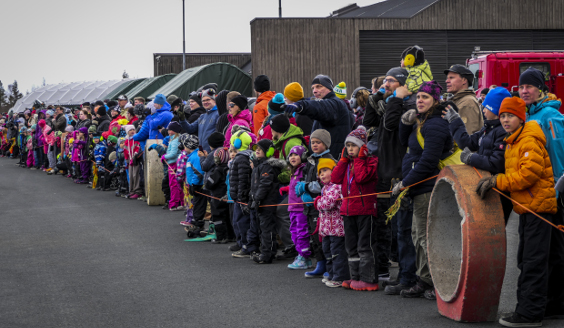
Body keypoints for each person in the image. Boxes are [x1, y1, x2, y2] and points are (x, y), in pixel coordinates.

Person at [475, 97, 557, 327]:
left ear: (521, 118)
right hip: (529, 208)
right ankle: (547, 307)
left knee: (532, 262)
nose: (505, 120)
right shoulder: (515, 140)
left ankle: (529, 315)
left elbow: (527, 176)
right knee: (531, 259)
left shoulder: (528, 140)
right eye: (502, 116)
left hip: (538, 209)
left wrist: (496, 180)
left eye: (510, 115)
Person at [395, 80, 453, 299]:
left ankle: (434, 282)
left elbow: (429, 162)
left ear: (435, 100)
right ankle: (425, 279)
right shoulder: (421, 121)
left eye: (425, 97)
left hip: (427, 187)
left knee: (426, 237)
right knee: (418, 235)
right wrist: (404, 121)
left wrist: (405, 182)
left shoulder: (435, 124)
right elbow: (405, 143)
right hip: (418, 186)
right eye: (418, 97)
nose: (419, 100)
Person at [364, 67, 416, 289]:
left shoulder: (407, 103)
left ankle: (407, 276)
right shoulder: (391, 101)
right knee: (394, 225)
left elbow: (391, 124)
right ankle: (403, 273)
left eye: (391, 81)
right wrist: (373, 99)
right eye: (384, 80)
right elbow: (369, 121)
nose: (386, 84)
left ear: (403, 84)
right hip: (389, 171)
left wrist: (395, 99)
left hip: (401, 171)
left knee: (404, 228)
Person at [518, 67, 564, 319]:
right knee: (554, 251)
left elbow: (558, 156)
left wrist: (557, 190)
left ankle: (551, 303)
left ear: (541, 89)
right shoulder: (529, 113)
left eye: (529, 87)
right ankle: (555, 304)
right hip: (540, 192)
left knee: (547, 253)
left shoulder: (549, 116)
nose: (524, 91)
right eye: (521, 87)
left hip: (551, 193)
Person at [443, 87, 513, 220]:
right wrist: (454, 120)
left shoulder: (502, 132)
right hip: (486, 186)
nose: (483, 109)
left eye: (487, 106)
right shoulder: (488, 128)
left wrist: (471, 158)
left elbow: (496, 163)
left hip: (498, 190)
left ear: (496, 110)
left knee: (494, 228)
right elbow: (467, 143)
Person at [331, 126, 379, 291]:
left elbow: (361, 177)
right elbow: (335, 178)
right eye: (348, 146)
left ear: (363, 147)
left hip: (364, 210)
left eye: (354, 145)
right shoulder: (347, 162)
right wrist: (343, 160)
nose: (350, 149)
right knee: (350, 246)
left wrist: (360, 158)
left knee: (364, 245)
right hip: (348, 210)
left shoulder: (371, 161)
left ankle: (368, 278)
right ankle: (355, 277)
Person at [296, 129, 336, 277]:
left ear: (325, 144)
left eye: (318, 142)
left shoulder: (328, 159)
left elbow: (326, 182)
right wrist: (302, 188)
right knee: (314, 235)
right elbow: (307, 178)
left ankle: (328, 265)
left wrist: (306, 187)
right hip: (310, 205)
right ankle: (320, 263)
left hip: (322, 205)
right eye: (312, 142)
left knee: (323, 237)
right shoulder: (311, 159)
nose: (314, 145)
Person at [284, 74, 351, 158]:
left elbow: (319, 107)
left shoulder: (335, 103)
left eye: (319, 86)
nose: (314, 91)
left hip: (332, 160)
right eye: (313, 88)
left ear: (329, 88)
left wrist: (301, 106)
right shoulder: (326, 103)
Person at [248, 139, 286, 264]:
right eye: (256, 149)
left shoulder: (267, 166)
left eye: (260, 149)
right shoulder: (259, 166)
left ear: (268, 151)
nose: (257, 151)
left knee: (267, 229)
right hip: (260, 202)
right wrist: (251, 199)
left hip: (266, 202)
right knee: (261, 227)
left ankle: (267, 254)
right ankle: (266, 251)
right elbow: (254, 186)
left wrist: (257, 199)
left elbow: (264, 185)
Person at [315, 157, 350, 287]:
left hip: (336, 229)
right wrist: (320, 201)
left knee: (337, 253)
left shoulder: (337, 186)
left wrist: (317, 202)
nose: (322, 174)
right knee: (328, 252)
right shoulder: (324, 189)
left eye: (325, 170)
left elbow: (328, 203)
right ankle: (331, 274)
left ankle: (340, 277)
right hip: (326, 229)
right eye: (320, 172)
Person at [279, 145, 312, 269]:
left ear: (302, 157)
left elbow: (302, 186)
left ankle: (304, 256)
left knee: (302, 233)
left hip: (300, 209)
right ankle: (301, 255)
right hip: (292, 208)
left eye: (296, 155)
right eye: (291, 155)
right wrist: (286, 189)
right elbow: (294, 187)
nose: (293, 157)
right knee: (294, 232)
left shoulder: (304, 170)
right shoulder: (294, 171)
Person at [229, 128, 257, 257]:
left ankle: (246, 246)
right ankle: (242, 243)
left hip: (241, 197)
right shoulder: (246, 156)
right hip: (240, 196)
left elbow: (243, 180)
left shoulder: (241, 158)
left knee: (242, 222)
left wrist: (240, 197)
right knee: (238, 221)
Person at [444, 64, 483, 134]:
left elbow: (467, 135)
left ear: (464, 80)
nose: (447, 81)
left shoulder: (467, 103)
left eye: (451, 78)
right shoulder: (459, 100)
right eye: (447, 78)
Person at [162, 122, 184, 211]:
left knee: (174, 184)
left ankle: (174, 203)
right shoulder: (174, 139)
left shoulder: (175, 140)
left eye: (170, 130)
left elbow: (173, 154)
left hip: (173, 164)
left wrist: (164, 156)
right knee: (176, 184)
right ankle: (180, 202)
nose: (168, 131)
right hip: (174, 163)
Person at [123, 125, 143, 199]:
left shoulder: (136, 139)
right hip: (130, 161)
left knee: (136, 175)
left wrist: (134, 157)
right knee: (131, 176)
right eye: (130, 130)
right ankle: (131, 191)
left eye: (133, 130)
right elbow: (125, 151)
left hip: (135, 160)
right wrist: (127, 160)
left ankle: (137, 191)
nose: (132, 131)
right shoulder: (127, 141)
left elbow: (137, 149)